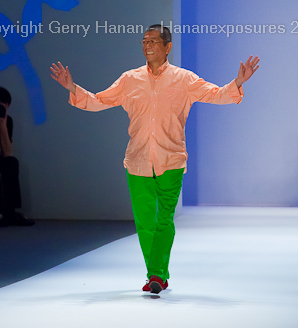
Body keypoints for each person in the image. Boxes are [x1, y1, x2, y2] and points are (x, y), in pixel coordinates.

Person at [50, 24, 259, 294]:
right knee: (145, 223)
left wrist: (238, 82)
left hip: (171, 159)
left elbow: (215, 94)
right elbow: (100, 100)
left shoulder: (184, 79)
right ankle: (157, 274)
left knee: (164, 220)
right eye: (144, 41)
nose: (147, 45)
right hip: (137, 160)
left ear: (167, 46)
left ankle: (156, 275)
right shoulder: (130, 79)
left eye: (153, 41)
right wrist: (72, 87)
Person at [0, 86, 34, 226]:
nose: (0, 111)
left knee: (11, 162)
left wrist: (2, 127)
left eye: (4, 108)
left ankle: (10, 212)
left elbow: (7, 153)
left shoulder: (7, 120)